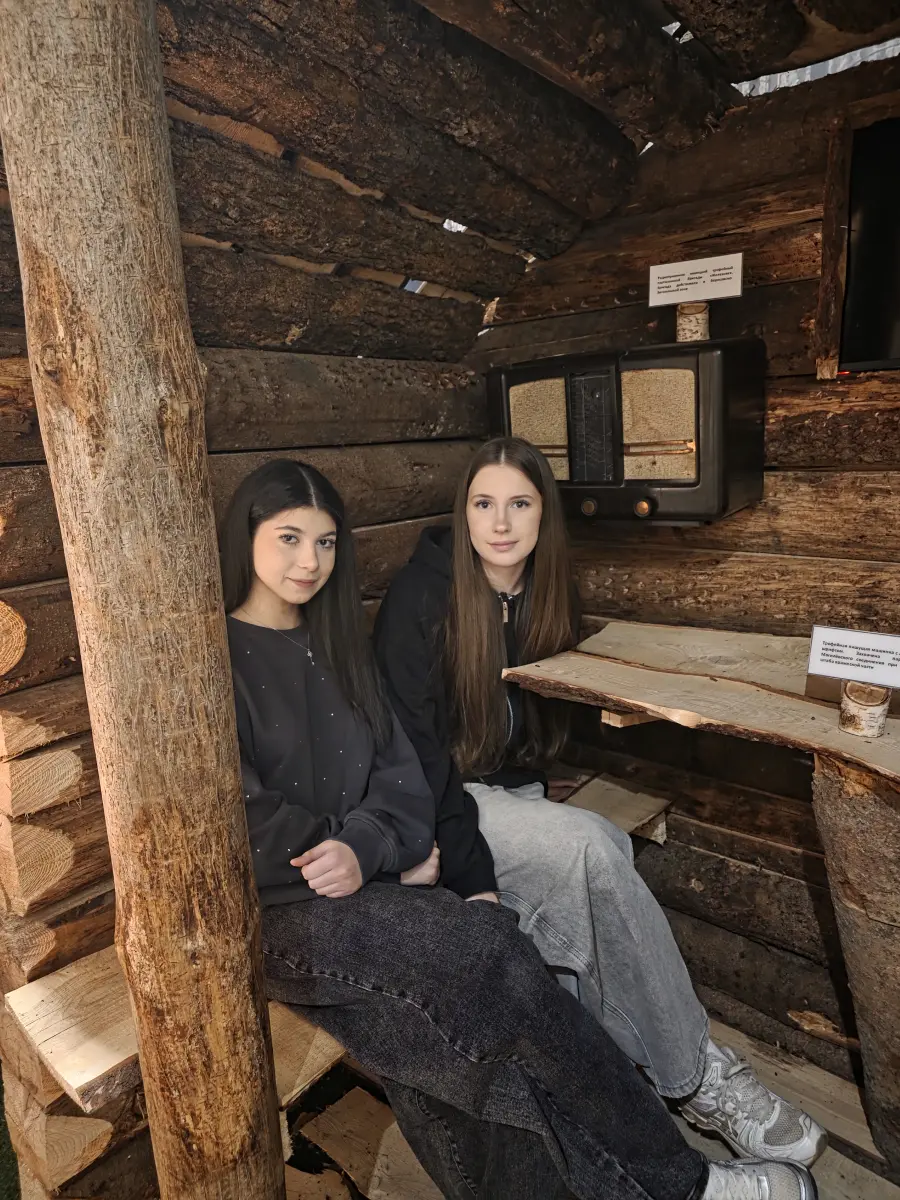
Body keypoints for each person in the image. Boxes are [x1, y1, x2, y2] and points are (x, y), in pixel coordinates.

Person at [220, 457, 816, 1200]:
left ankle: (665, 1164)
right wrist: (378, 857)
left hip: (364, 885)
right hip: (281, 909)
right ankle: (682, 1185)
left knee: (454, 1034)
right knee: (485, 961)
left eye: (325, 542)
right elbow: (238, 815)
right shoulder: (218, 659)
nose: (309, 561)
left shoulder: (338, 646)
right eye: (288, 538)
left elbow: (403, 779)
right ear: (245, 536)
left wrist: (369, 847)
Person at [373, 436, 827, 1172]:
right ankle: (695, 1077)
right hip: (434, 805)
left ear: (544, 515)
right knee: (586, 845)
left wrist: (533, 779)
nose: (500, 523)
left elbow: (539, 714)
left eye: (519, 504)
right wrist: (470, 866)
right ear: (463, 513)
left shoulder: (544, 592)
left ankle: (633, 1067)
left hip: (502, 791)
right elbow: (413, 755)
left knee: (602, 846)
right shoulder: (420, 598)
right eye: (483, 504)